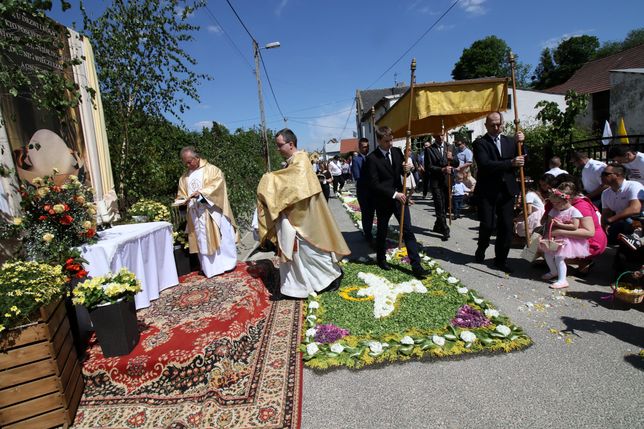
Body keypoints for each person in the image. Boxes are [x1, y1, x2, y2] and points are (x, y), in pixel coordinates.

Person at [256, 129, 351, 298]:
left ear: (291, 144)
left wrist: (269, 179)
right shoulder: (292, 161)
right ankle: (294, 288)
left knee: (312, 252)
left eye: (280, 145)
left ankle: (333, 276)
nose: (277, 149)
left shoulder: (301, 161)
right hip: (293, 215)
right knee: (296, 254)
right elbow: (288, 184)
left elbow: (293, 186)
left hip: (305, 218)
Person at [365, 126, 429, 279]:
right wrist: (394, 194)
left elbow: (402, 172)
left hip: (400, 199)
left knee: (407, 230)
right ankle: (381, 258)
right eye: (387, 141)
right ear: (379, 140)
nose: (390, 143)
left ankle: (416, 265)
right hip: (384, 200)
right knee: (382, 230)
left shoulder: (396, 152)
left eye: (391, 140)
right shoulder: (372, 159)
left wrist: (408, 168)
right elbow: (374, 184)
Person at [473, 111, 525, 272]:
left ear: (503, 123)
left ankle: (501, 259)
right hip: (487, 191)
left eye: (499, 124)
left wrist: (522, 144)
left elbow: (522, 159)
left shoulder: (511, 141)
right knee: (488, 224)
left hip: (506, 190)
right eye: (492, 125)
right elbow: (485, 164)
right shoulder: (480, 143)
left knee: (507, 226)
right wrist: (510, 163)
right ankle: (482, 247)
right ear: (486, 126)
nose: (496, 127)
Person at [176, 146, 238, 278]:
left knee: (220, 237)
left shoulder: (212, 170)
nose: (187, 165)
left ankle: (226, 265)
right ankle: (208, 268)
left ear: (197, 158)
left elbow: (218, 186)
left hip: (211, 211)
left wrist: (201, 194)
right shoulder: (184, 177)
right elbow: (181, 194)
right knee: (201, 239)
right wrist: (181, 201)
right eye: (185, 162)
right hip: (195, 213)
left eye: (189, 162)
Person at [541, 184, 591, 289]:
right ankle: (553, 271)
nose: (555, 205)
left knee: (559, 258)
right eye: (553, 203)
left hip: (566, 239)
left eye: (557, 203)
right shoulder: (554, 210)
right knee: (547, 254)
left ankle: (562, 280)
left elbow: (574, 226)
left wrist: (560, 225)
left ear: (566, 200)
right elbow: (549, 223)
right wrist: (549, 229)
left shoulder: (574, 211)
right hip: (553, 236)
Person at [424, 133, 458, 241]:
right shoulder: (429, 149)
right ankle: (445, 229)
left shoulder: (451, 147)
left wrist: (451, 158)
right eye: (438, 135)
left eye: (442, 135)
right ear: (434, 136)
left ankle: (437, 225)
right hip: (436, 182)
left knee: (447, 205)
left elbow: (457, 163)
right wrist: (441, 169)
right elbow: (428, 167)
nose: (440, 137)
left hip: (447, 181)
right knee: (439, 206)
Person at [600, 163, 644, 244]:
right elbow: (606, 213)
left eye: (605, 174)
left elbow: (635, 209)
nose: (601, 176)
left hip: (637, 219)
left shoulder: (633, 185)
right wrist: (604, 226)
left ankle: (638, 237)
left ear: (617, 175)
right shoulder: (605, 193)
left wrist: (611, 219)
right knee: (607, 237)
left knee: (629, 221)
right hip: (620, 221)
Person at [350, 138, 375, 243]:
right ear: (360, 147)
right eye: (364, 147)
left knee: (372, 213)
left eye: (367, 146)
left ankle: (369, 231)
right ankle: (367, 234)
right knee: (366, 214)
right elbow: (357, 176)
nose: (366, 149)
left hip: (373, 192)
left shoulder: (371, 157)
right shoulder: (356, 159)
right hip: (363, 192)